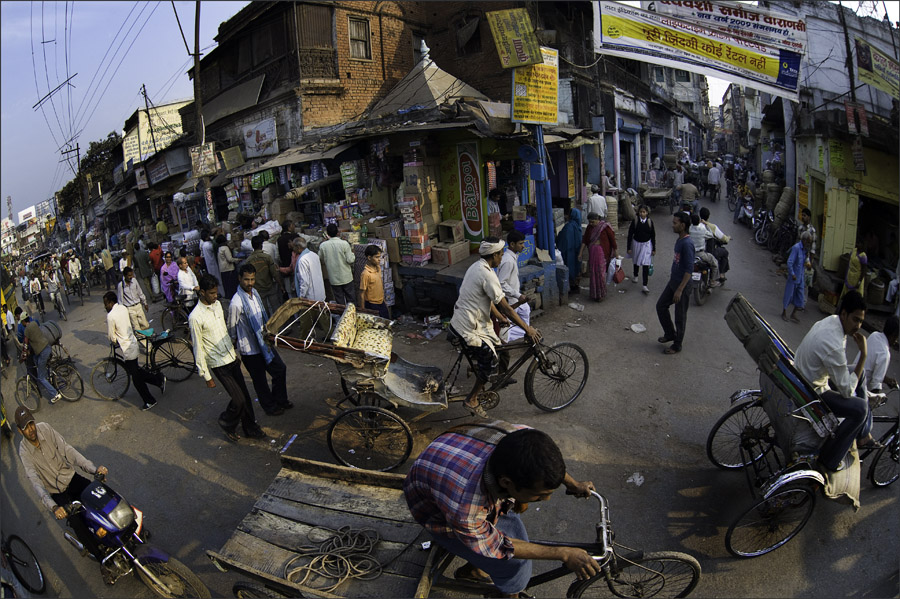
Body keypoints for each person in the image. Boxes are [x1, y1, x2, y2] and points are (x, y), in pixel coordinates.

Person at [403, 421, 601, 597]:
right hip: (437, 514)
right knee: (518, 568)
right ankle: (503, 588)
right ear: (506, 482)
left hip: (456, 460)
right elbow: (498, 546)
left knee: (516, 518)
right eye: (539, 495)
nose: (546, 499)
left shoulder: (522, 438)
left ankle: (474, 570)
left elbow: (547, 463)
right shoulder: (466, 508)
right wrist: (564, 553)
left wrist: (573, 484)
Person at [448, 238, 540, 418]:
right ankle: (472, 399)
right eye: (501, 253)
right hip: (469, 328)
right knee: (491, 363)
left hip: (464, 321)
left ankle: (488, 382)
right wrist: (527, 328)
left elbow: (486, 299)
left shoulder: (477, 267)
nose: (502, 256)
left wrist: (499, 317)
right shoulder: (488, 275)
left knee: (499, 347)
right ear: (494, 255)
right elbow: (505, 305)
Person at [15, 406, 111, 572]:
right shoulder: (24, 452)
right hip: (57, 492)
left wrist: (93, 469)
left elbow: (68, 451)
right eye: (25, 427)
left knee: (101, 496)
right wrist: (53, 506)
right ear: (19, 431)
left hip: (71, 478)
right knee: (76, 522)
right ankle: (103, 561)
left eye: (31, 424)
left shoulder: (45, 428)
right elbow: (35, 481)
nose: (31, 430)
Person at [795, 291, 882, 472]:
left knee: (858, 374)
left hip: (805, 377)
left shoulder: (831, 321)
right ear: (844, 314)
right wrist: (864, 355)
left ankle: (864, 433)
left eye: (860, 321)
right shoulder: (834, 342)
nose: (858, 326)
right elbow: (848, 391)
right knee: (861, 408)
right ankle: (830, 459)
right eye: (855, 320)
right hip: (813, 392)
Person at [189, 274, 264, 442]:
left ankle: (250, 428)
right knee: (238, 400)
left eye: (216, 292)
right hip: (218, 363)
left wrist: (234, 353)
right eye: (212, 293)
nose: (216, 296)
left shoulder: (217, 306)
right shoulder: (195, 317)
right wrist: (206, 375)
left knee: (245, 397)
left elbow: (224, 331)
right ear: (202, 292)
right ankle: (226, 421)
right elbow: (198, 347)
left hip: (230, 357)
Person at [227, 264, 293, 417]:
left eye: (252, 279)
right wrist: (232, 345)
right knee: (260, 381)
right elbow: (231, 326)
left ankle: (280, 399)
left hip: (264, 342)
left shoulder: (255, 293)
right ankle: (270, 407)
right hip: (250, 349)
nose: (249, 283)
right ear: (239, 279)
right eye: (246, 280)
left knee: (279, 369)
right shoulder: (236, 302)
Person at [104, 292, 164, 410]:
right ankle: (158, 380)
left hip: (127, 348)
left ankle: (150, 400)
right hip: (133, 343)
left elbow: (111, 336)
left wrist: (115, 340)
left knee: (136, 379)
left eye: (106, 304)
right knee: (135, 371)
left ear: (111, 303)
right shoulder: (123, 308)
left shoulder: (110, 316)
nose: (105, 306)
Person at [656, 212, 695, 355]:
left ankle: (677, 345)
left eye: (675, 223)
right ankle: (670, 333)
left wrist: (680, 290)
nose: (672, 225)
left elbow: (689, 269)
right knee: (661, 306)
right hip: (673, 281)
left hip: (682, 285)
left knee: (680, 316)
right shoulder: (680, 240)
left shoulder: (687, 244)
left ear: (683, 225)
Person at [19, 311, 62, 403]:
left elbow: (25, 345)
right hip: (47, 347)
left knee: (40, 377)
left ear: (23, 321)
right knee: (35, 359)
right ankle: (48, 378)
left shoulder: (26, 330)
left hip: (42, 352)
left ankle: (54, 394)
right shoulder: (34, 323)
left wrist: (23, 356)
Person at [496, 230, 531, 343]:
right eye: (520, 243)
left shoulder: (511, 258)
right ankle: (504, 337)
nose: (523, 246)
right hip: (510, 299)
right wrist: (517, 295)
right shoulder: (508, 261)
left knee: (526, 311)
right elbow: (502, 283)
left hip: (515, 297)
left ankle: (528, 334)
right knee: (511, 324)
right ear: (512, 244)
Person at [852, 316, 899, 395]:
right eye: (896, 338)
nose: (896, 341)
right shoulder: (885, 353)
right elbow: (875, 387)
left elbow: (870, 366)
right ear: (893, 336)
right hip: (857, 389)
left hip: (851, 373)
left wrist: (887, 380)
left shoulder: (874, 335)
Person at [578, 212, 616, 302]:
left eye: (593, 222)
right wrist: (580, 253)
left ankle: (601, 294)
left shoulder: (605, 227)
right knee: (593, 272)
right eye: (590, 222)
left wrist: (616, 253)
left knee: (600, 273)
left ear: (598, 220)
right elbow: (585, 241)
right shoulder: (589, 228)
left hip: (601, 253)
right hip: (592, 252)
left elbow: (612, 240)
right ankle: (594, 294)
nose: (591, 224)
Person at [319, 224, 357, 306]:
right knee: (351, 301)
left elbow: (320, 259)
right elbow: (350, 260)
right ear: (338, 232)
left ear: (327, 234)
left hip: (334, 279)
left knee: (340, 302)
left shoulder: (323, 245)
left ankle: (343, 317)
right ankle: (352, 316)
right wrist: (353, 253)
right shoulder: (344, 243)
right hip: (346, 277)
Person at [244, 235, 282, 315]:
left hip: (258, 289)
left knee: (264, 310)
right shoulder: (267, 257)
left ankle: (267, 326)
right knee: (276, 308)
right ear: (261, 245)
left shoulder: (249, 260)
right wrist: (280, 285)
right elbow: (274, 273)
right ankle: (279, 325)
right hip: (269, 286)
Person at [782, 231, 813, 323]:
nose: (809, 244)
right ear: (803, 240)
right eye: (808, 241)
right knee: (789, 295)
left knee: (800, 296)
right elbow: (790, 262)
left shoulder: (805, 250)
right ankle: (784, 312)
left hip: (801, 277)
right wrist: (792, 273)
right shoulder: (796, 248)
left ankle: (793, 313)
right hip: (794, 276)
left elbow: (805, 262)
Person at [627, 204, 655, 295]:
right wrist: (628, 248)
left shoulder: (650, 222)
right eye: (641, 212)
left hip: (646, 245)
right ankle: (635, 275)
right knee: (636, 261)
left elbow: (653, 236)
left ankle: (644, 285)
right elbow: (630, 234)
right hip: (636, 244)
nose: (642, 214)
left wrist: (654, 248)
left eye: (644, 212)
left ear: (647, 213)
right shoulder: (635, 221)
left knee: (646, 264)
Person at [555, 208, 582, 294]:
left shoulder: (568, 227)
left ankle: (570, 286)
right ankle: (575, 285)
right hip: (577, 252)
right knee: (576, 268)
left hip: (568, 252)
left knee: (569, 267)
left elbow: (562, 239)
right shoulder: (578, 227)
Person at [688, 214, 720, 287]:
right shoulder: (702, 228)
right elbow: (710, 235)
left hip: (689, 254)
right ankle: (712, 281)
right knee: (715, 263)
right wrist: (706, 225)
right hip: (701, 254)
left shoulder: (689, 228)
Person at [698, 207, 729, 282]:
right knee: (725, 252)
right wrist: (728, 238)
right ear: (708, 216)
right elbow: (724, 239)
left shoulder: (696, 225)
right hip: (708, 253)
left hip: (697, 251)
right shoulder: (712, 227)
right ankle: (721, 275)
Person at [358, 245, 389, 318]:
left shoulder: (378, 268)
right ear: (369, 258)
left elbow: (379, 286)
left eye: (380, 257)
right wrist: (363, 311)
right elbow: (362, 294)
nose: (379, 259)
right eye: (377, 257)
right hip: (372, 304)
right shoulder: (365, 274)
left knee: (386, 322)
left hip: (381, 302)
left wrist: (384, 301)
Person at [293, 237, 326, 302]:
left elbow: (304, 282)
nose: (293, 249)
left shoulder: (302, 260)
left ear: (298, 247)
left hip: (311, 297)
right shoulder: (314, 255)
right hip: (320, 292)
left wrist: (301, 297)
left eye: (294, 247)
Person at [798, 208, 817, 301]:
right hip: (799, 256)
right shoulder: (800, 228)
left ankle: (803, 302)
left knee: (805, 282)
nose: (803, 217)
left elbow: (813, 248)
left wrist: (811, 262)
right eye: (802, 215)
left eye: (805, 215)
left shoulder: (812, 231)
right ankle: (796, 299)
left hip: (807, 258)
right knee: (797, 278)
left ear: (809, 217)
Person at [199, 231, 223, 295]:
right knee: (218, 279)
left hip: (210, 264)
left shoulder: (204, 245)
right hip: (213, 263)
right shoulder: (208, 245)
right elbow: (215, 247)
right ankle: (221, 293)